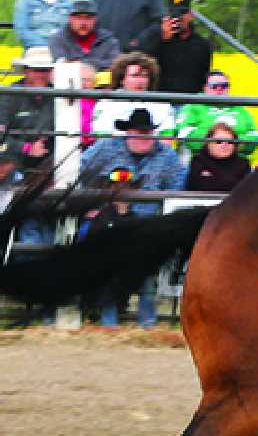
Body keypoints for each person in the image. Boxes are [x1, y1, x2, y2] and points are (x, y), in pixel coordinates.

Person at [78, 108, 186, 328]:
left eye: (148, 132)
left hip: (147, 223)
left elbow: (177, 191)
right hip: (107, 218)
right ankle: (107, 316)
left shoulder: (168, 157)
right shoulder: (105, 148)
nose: (144, 137)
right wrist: (88, 204)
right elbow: (78, 171)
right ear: (127, 132)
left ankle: (146, 321)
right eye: (138, 131)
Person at [175, 68, 258, 157]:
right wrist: (223, 143)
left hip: (238, 162)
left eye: (224, 85)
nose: (220, 89)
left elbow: (255, 136)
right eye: (214, 86)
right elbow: (185, 134)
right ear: (205, 88)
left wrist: (229, 143)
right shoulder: (193, 106)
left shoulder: (239, 108)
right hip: (203, 161)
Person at [138, 0, 212, 93]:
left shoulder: (202, 44)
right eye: (175, 14)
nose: (178, 18)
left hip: (190, 100)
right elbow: (146, 66)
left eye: (182, 13)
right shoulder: (155, 38)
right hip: (161, 98)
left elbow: (204, 77)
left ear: (190, 15)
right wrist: (162, 40)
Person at [0, 46, 56, 160]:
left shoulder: (57, 94)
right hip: (14, 155)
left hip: (49, 155)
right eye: (36, 70)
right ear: (25, 71)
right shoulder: (9, 94)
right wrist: (27, 148)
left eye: (45, 70)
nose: (40, 75)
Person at [92, 52, 175, 139]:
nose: (140, 80)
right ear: (122, 79)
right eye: (135, 76)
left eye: (145, 76)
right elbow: (102, 140)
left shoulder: (162, 105)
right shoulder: (106, 104)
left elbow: (167, 142)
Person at [47, 0, 121, 68]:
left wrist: (80, 63)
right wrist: (98, 63)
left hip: (102, 79)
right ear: (70, 19)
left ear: (95, 19)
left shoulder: (108, 39)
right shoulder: (58, 39)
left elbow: (115, 64)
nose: (83, 22)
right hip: (71, 79)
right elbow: (63, 65)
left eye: (88, 18)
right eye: (78, 18)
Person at [184, 122, 253, 193]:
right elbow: (197, 187)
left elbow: (246, 191)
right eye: (219, 142)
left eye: (230, 142)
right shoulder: (197, 160)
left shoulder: (243, 163)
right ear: (208, 143)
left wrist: (212, 179)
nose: (225, 145)